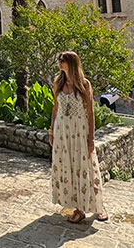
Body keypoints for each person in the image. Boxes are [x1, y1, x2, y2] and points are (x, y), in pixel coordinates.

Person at [49, 51, 108, 224]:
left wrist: (91, 138)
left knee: (85, 167)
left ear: (72, 63)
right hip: (62, 132)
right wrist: (51, 131)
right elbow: (55, 108)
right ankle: (77, 208)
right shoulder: (58, 82)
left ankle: (98, 205)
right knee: (67, 167)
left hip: (79, 132)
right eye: (59, 60)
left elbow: (90, 111)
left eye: (63, 60)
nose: (59, 63)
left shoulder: (84, 84)